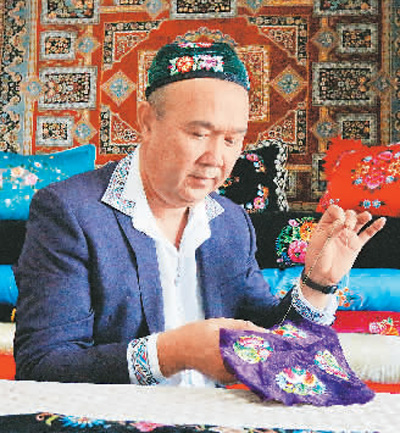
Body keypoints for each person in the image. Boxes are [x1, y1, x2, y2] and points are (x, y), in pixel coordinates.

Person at [14, 42, 385, 385]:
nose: (216, 159)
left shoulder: (230, 222)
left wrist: (317, 283)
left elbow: (267, 342)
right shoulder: (70, 212)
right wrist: (174, 353)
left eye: (231, 140)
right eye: (198, 134)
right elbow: (42, 365)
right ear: (146, 121)